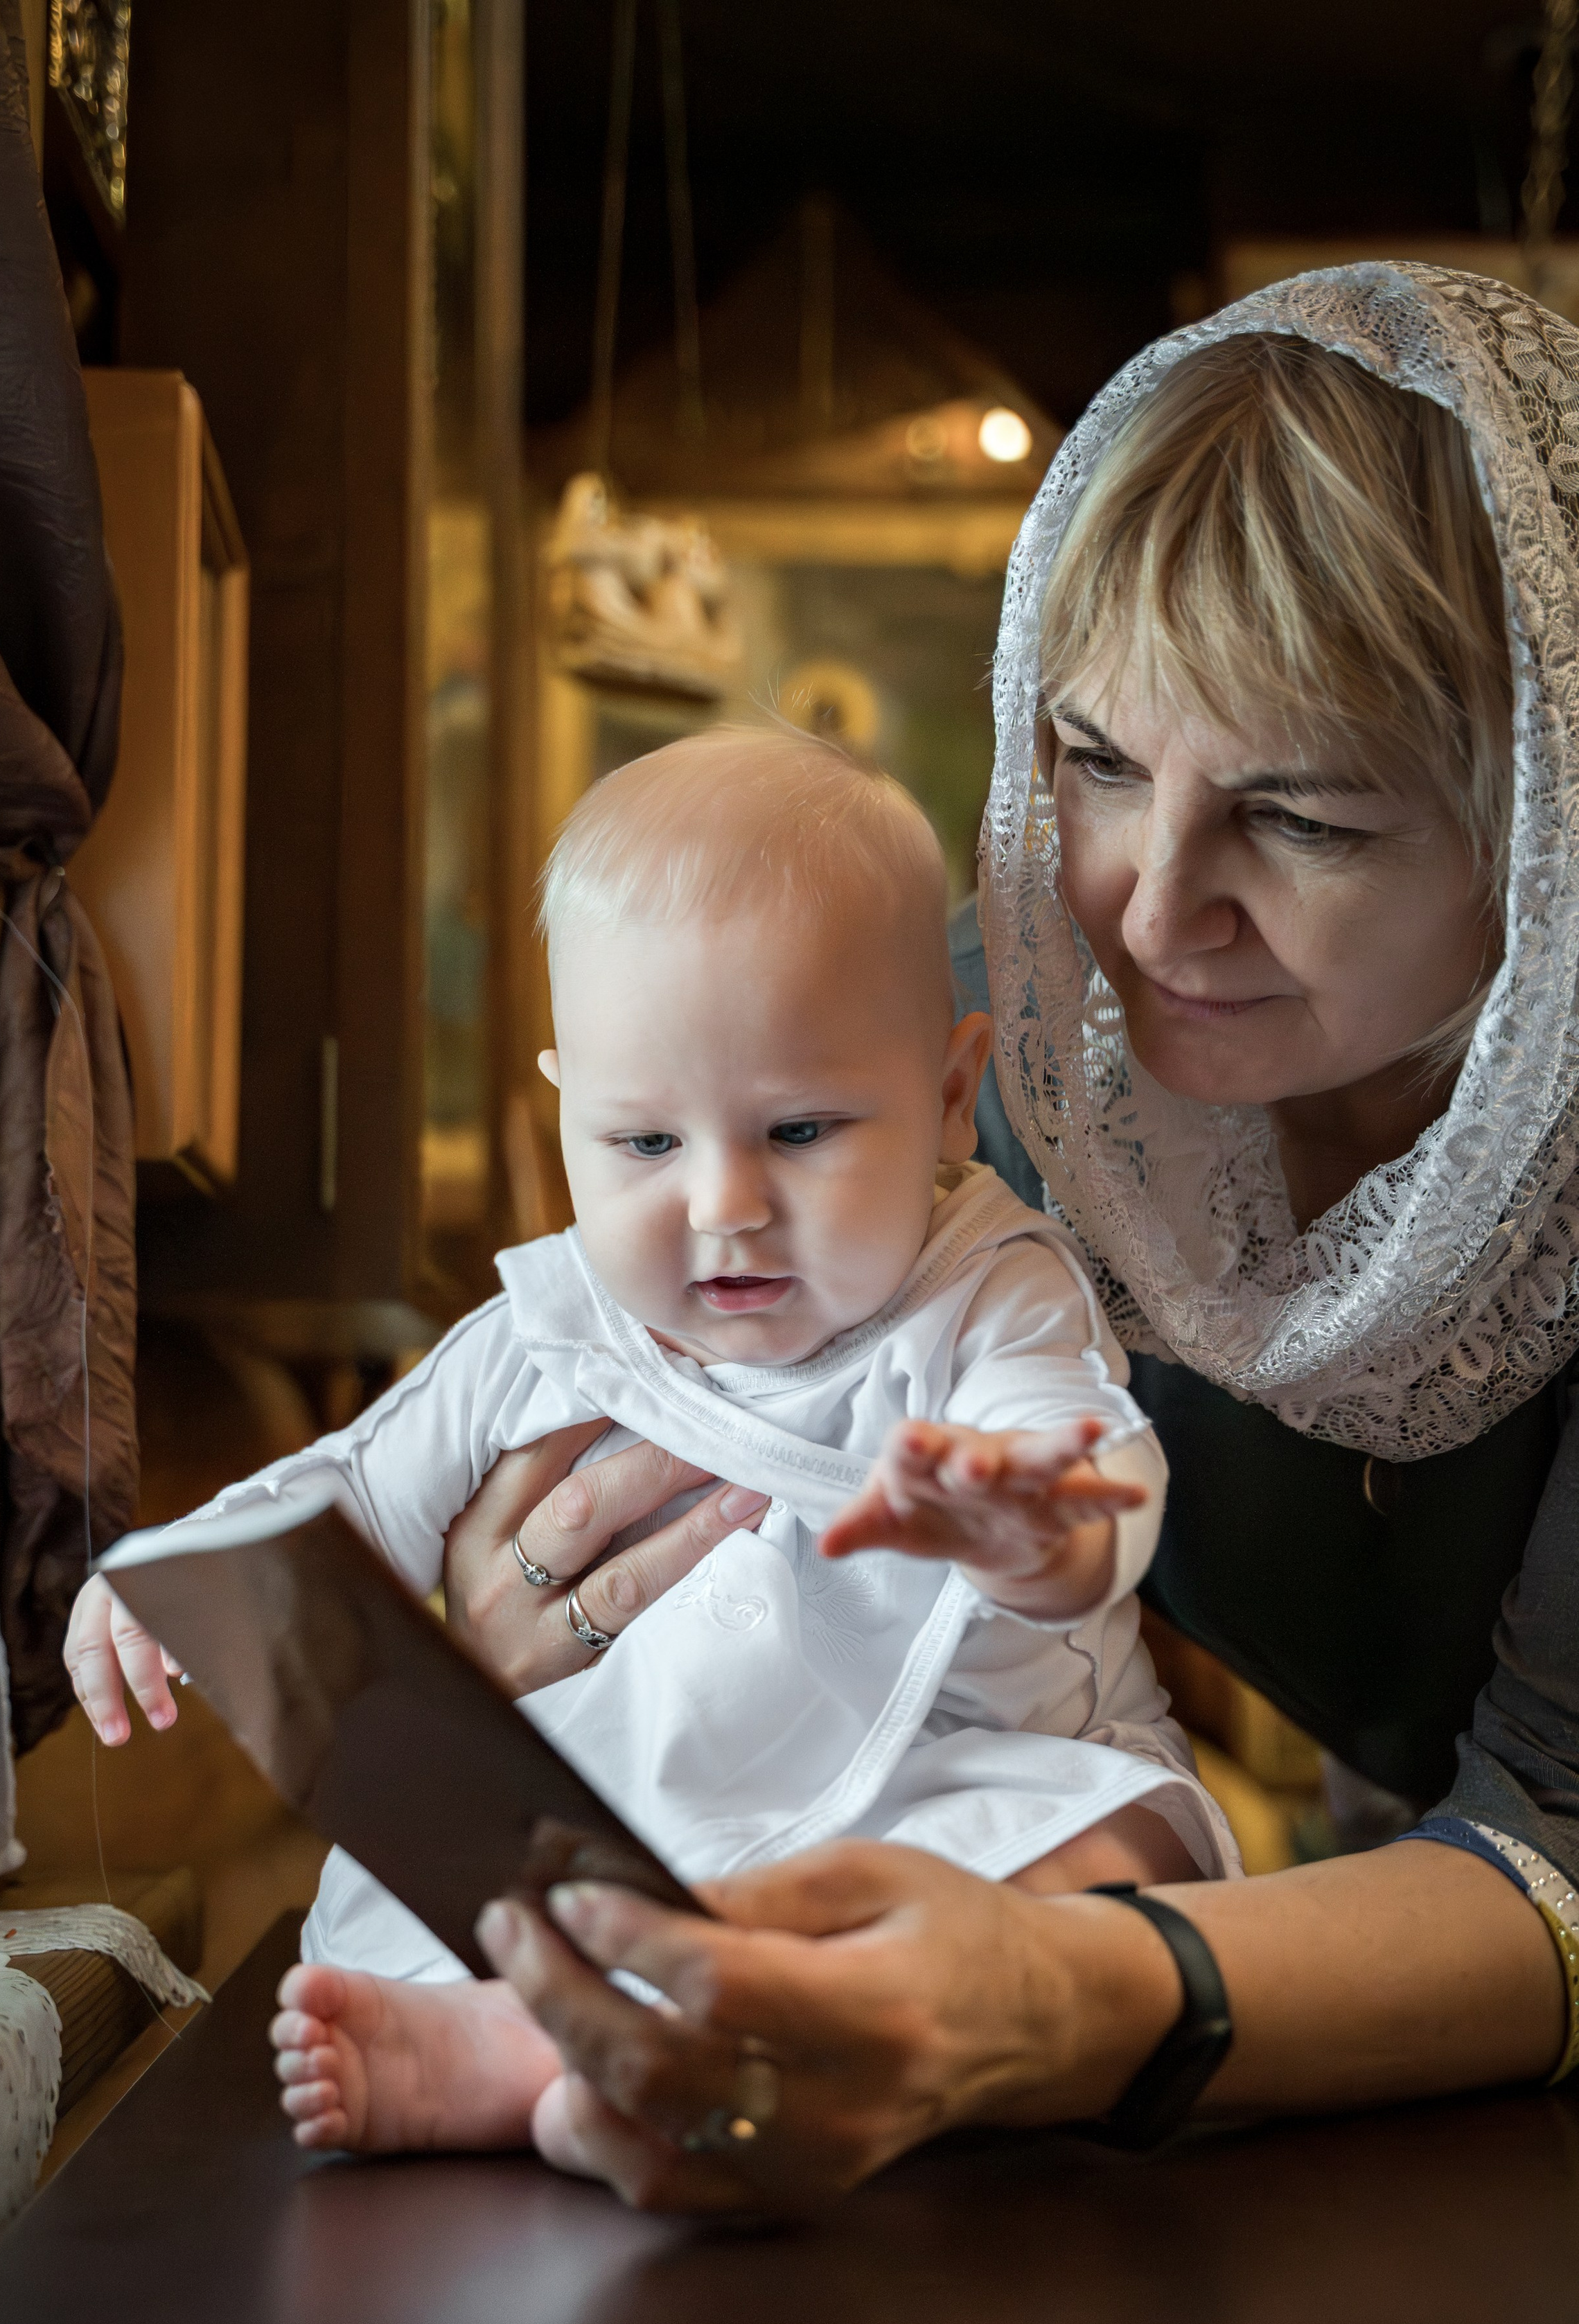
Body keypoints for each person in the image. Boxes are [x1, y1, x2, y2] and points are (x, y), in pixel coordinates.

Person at [426, 266, 1579, 2215]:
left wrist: (1051, 1993)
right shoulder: (983, 1049)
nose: (1143, 912)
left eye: (1298, 818)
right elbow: (675, 1419)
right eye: (1099, 762)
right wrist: (522, 1602)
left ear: (1544, 830)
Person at [67, 726, 1236, 2156]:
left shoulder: (984, 1284)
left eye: (798, 1129)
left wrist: (1037, 1528)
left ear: (945, 1093)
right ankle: (508, 2043)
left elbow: (1088, 1454)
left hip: (960, 1781)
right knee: (476, 1890)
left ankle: (553, 2050)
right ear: (566, 1105)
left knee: (1126, 1852)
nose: (721, 1204)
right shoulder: (557, 1325)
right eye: (642, 1144)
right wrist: (175, 1574)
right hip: (654, 1802)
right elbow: (352, 1485)